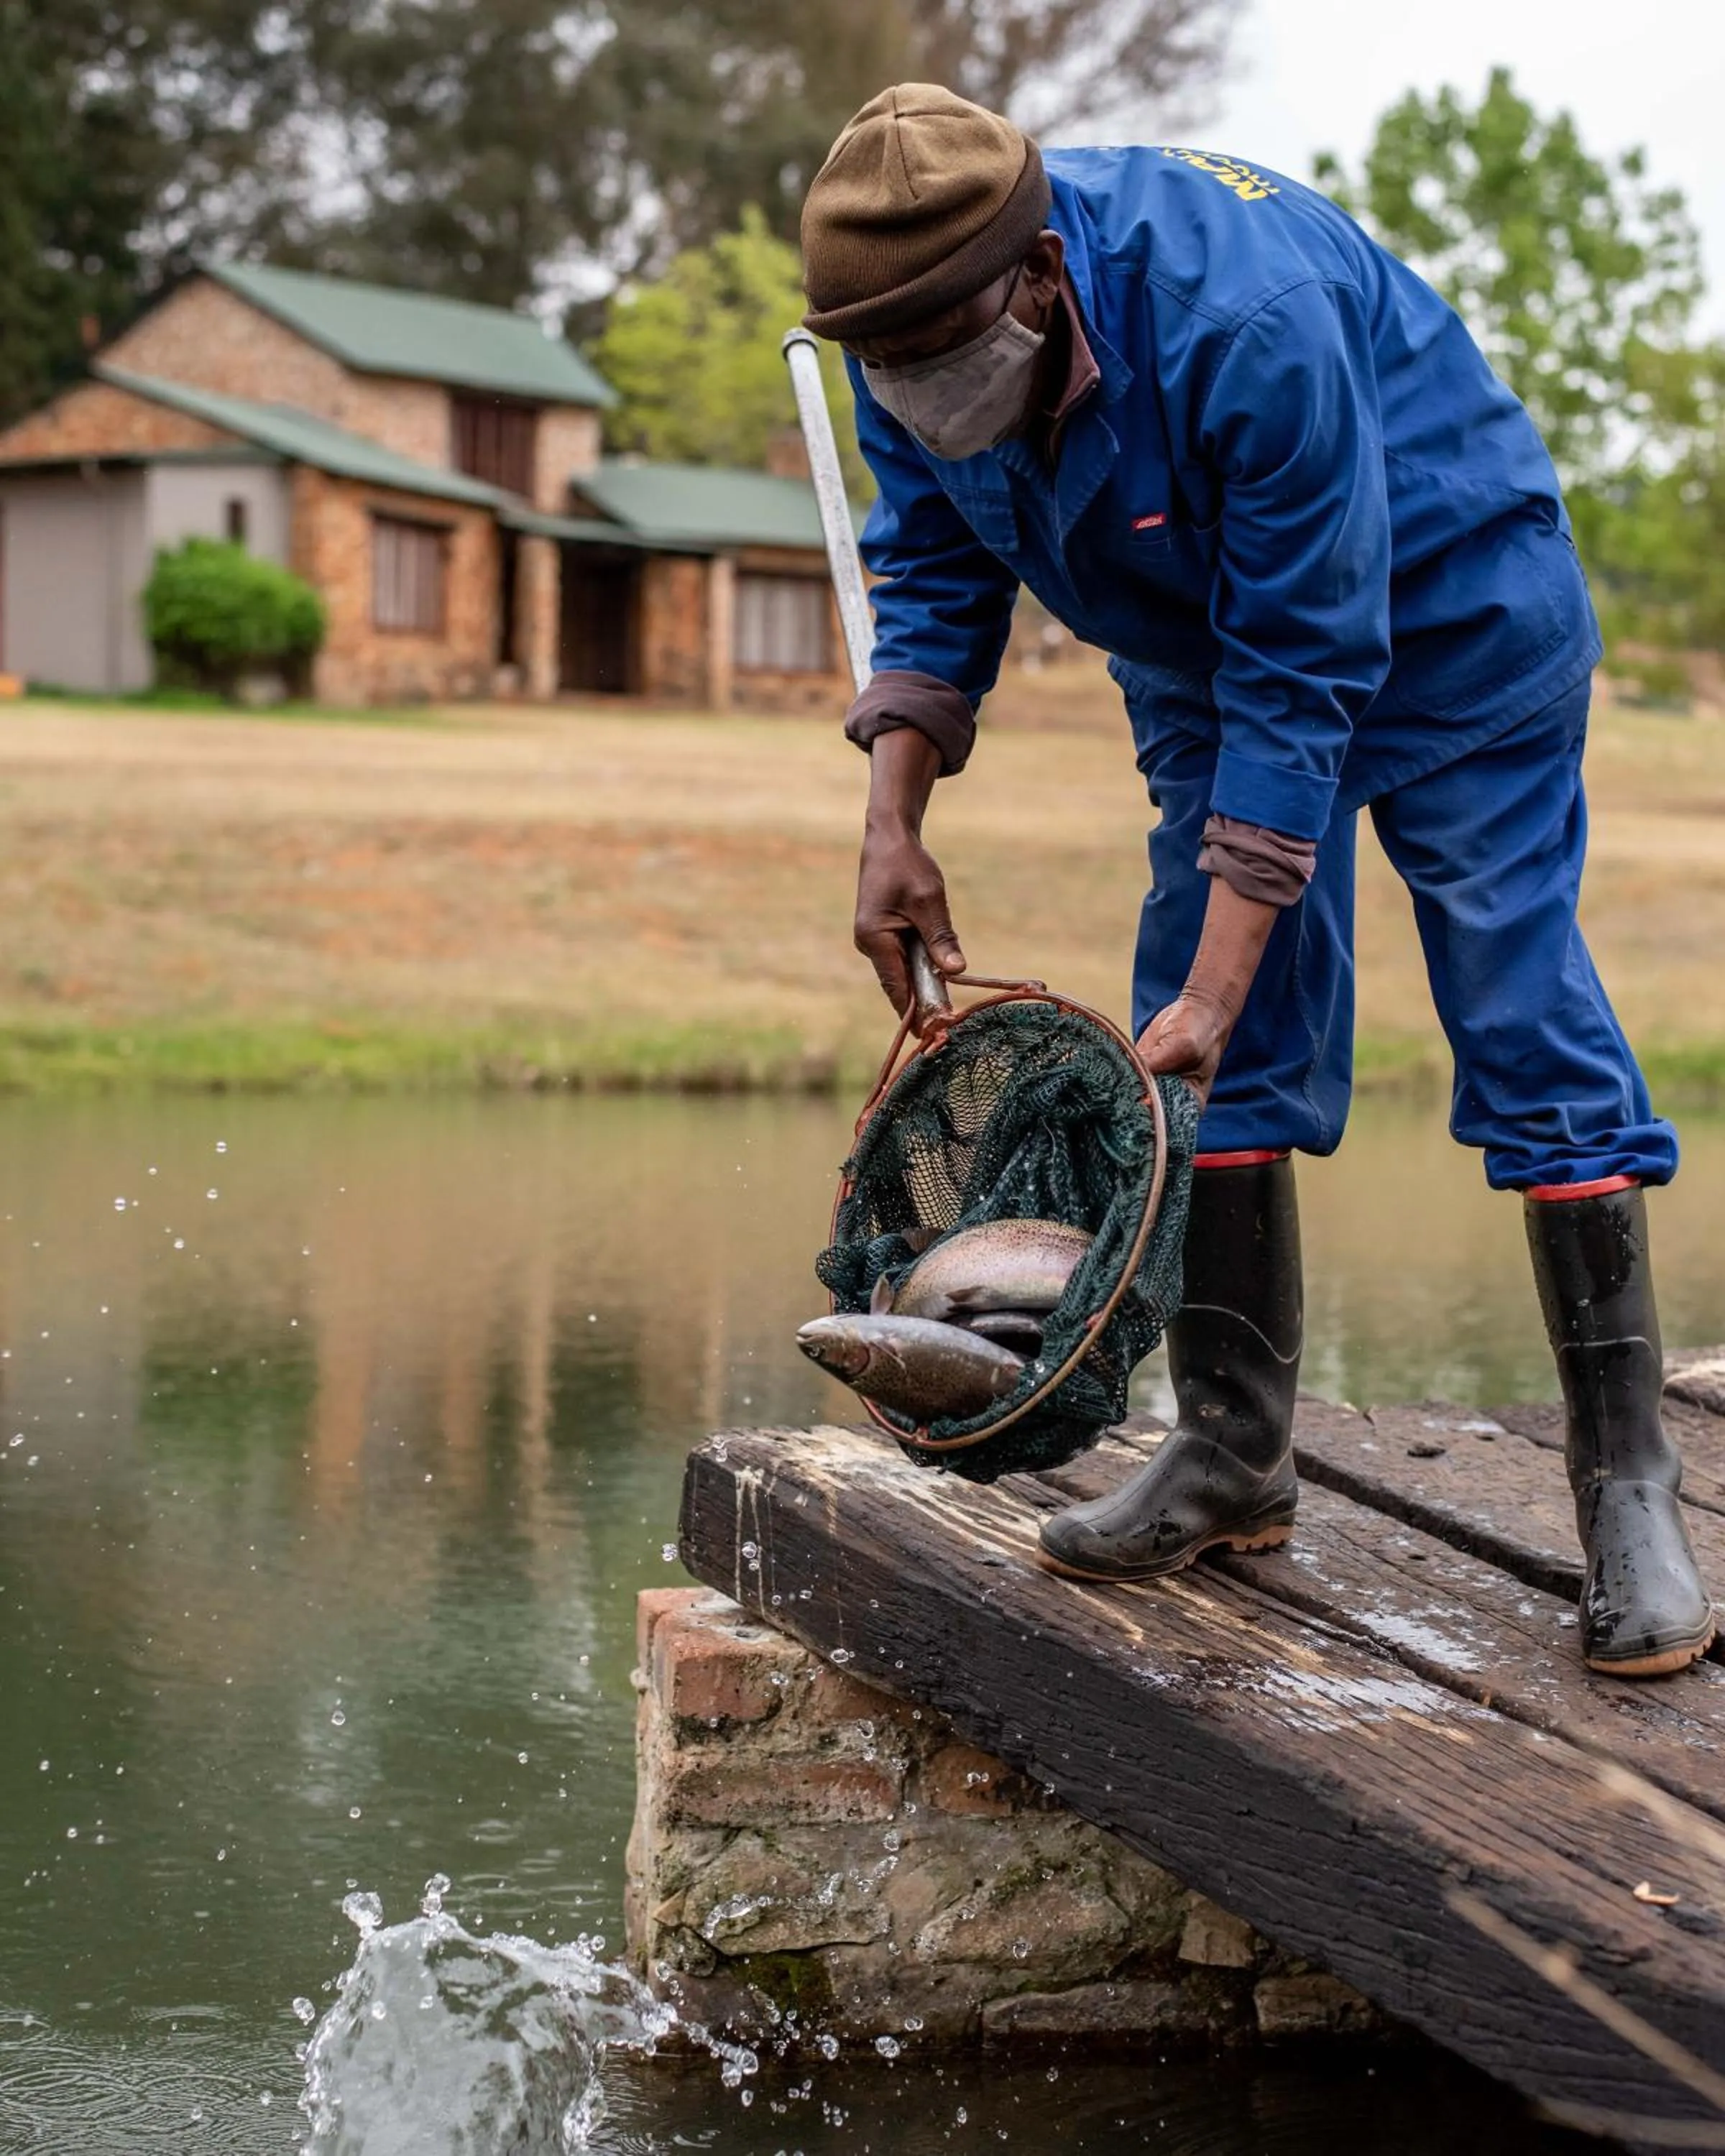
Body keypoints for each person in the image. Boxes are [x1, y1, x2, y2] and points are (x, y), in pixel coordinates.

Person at [798, 83, 1715, 1679]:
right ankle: (1232, 1454)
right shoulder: (903, 325)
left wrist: (1219, 993)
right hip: (1199, 655)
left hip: (1455, 627)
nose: (924, 396)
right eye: (894, 373)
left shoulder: (1248, 318)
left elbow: (1306, 675)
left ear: (1039, 279)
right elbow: (934, 567)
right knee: (1204, 1039)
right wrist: (893, 820)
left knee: (1513, 1007)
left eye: (949, 362)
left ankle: (1630, 1487)